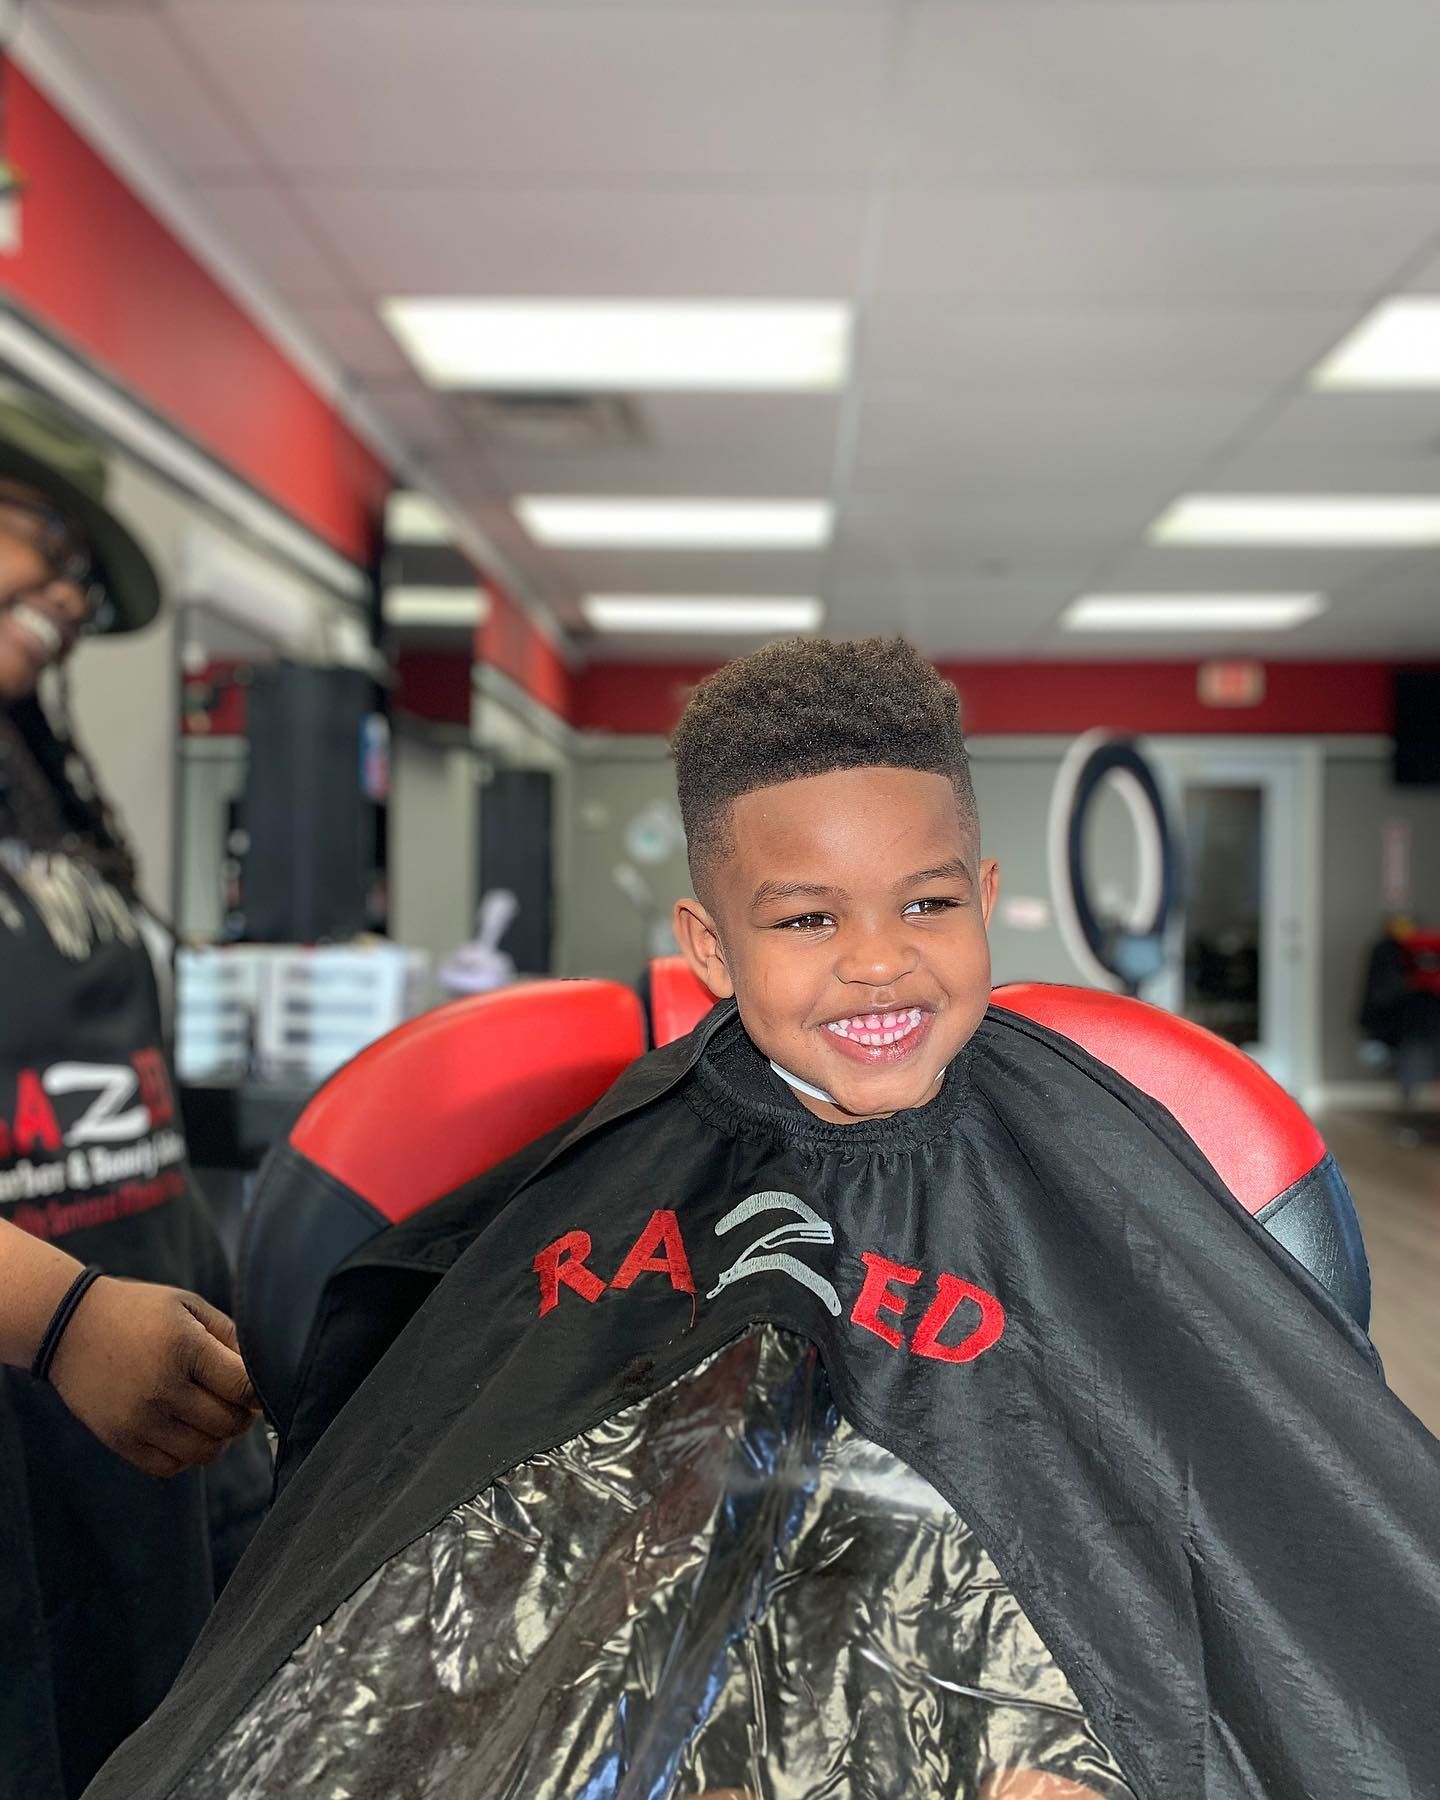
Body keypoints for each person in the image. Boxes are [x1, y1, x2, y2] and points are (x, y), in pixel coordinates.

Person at [86, 639, 1440, 1800]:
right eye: (806, 918)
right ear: (711, 948)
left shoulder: (1101, 1153)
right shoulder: (616, 1173)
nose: (877, 958)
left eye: (928, 900)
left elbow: (1222, 1513)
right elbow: (491, 1543)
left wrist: (1104, 1745)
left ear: (989, 893)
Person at [0, 384, 267, 1800]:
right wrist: (58, 1318)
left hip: (129, 1470)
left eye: (77, 574)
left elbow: (131, 1121)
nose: (63, 588)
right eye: (31, 532)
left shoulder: (35, 798)